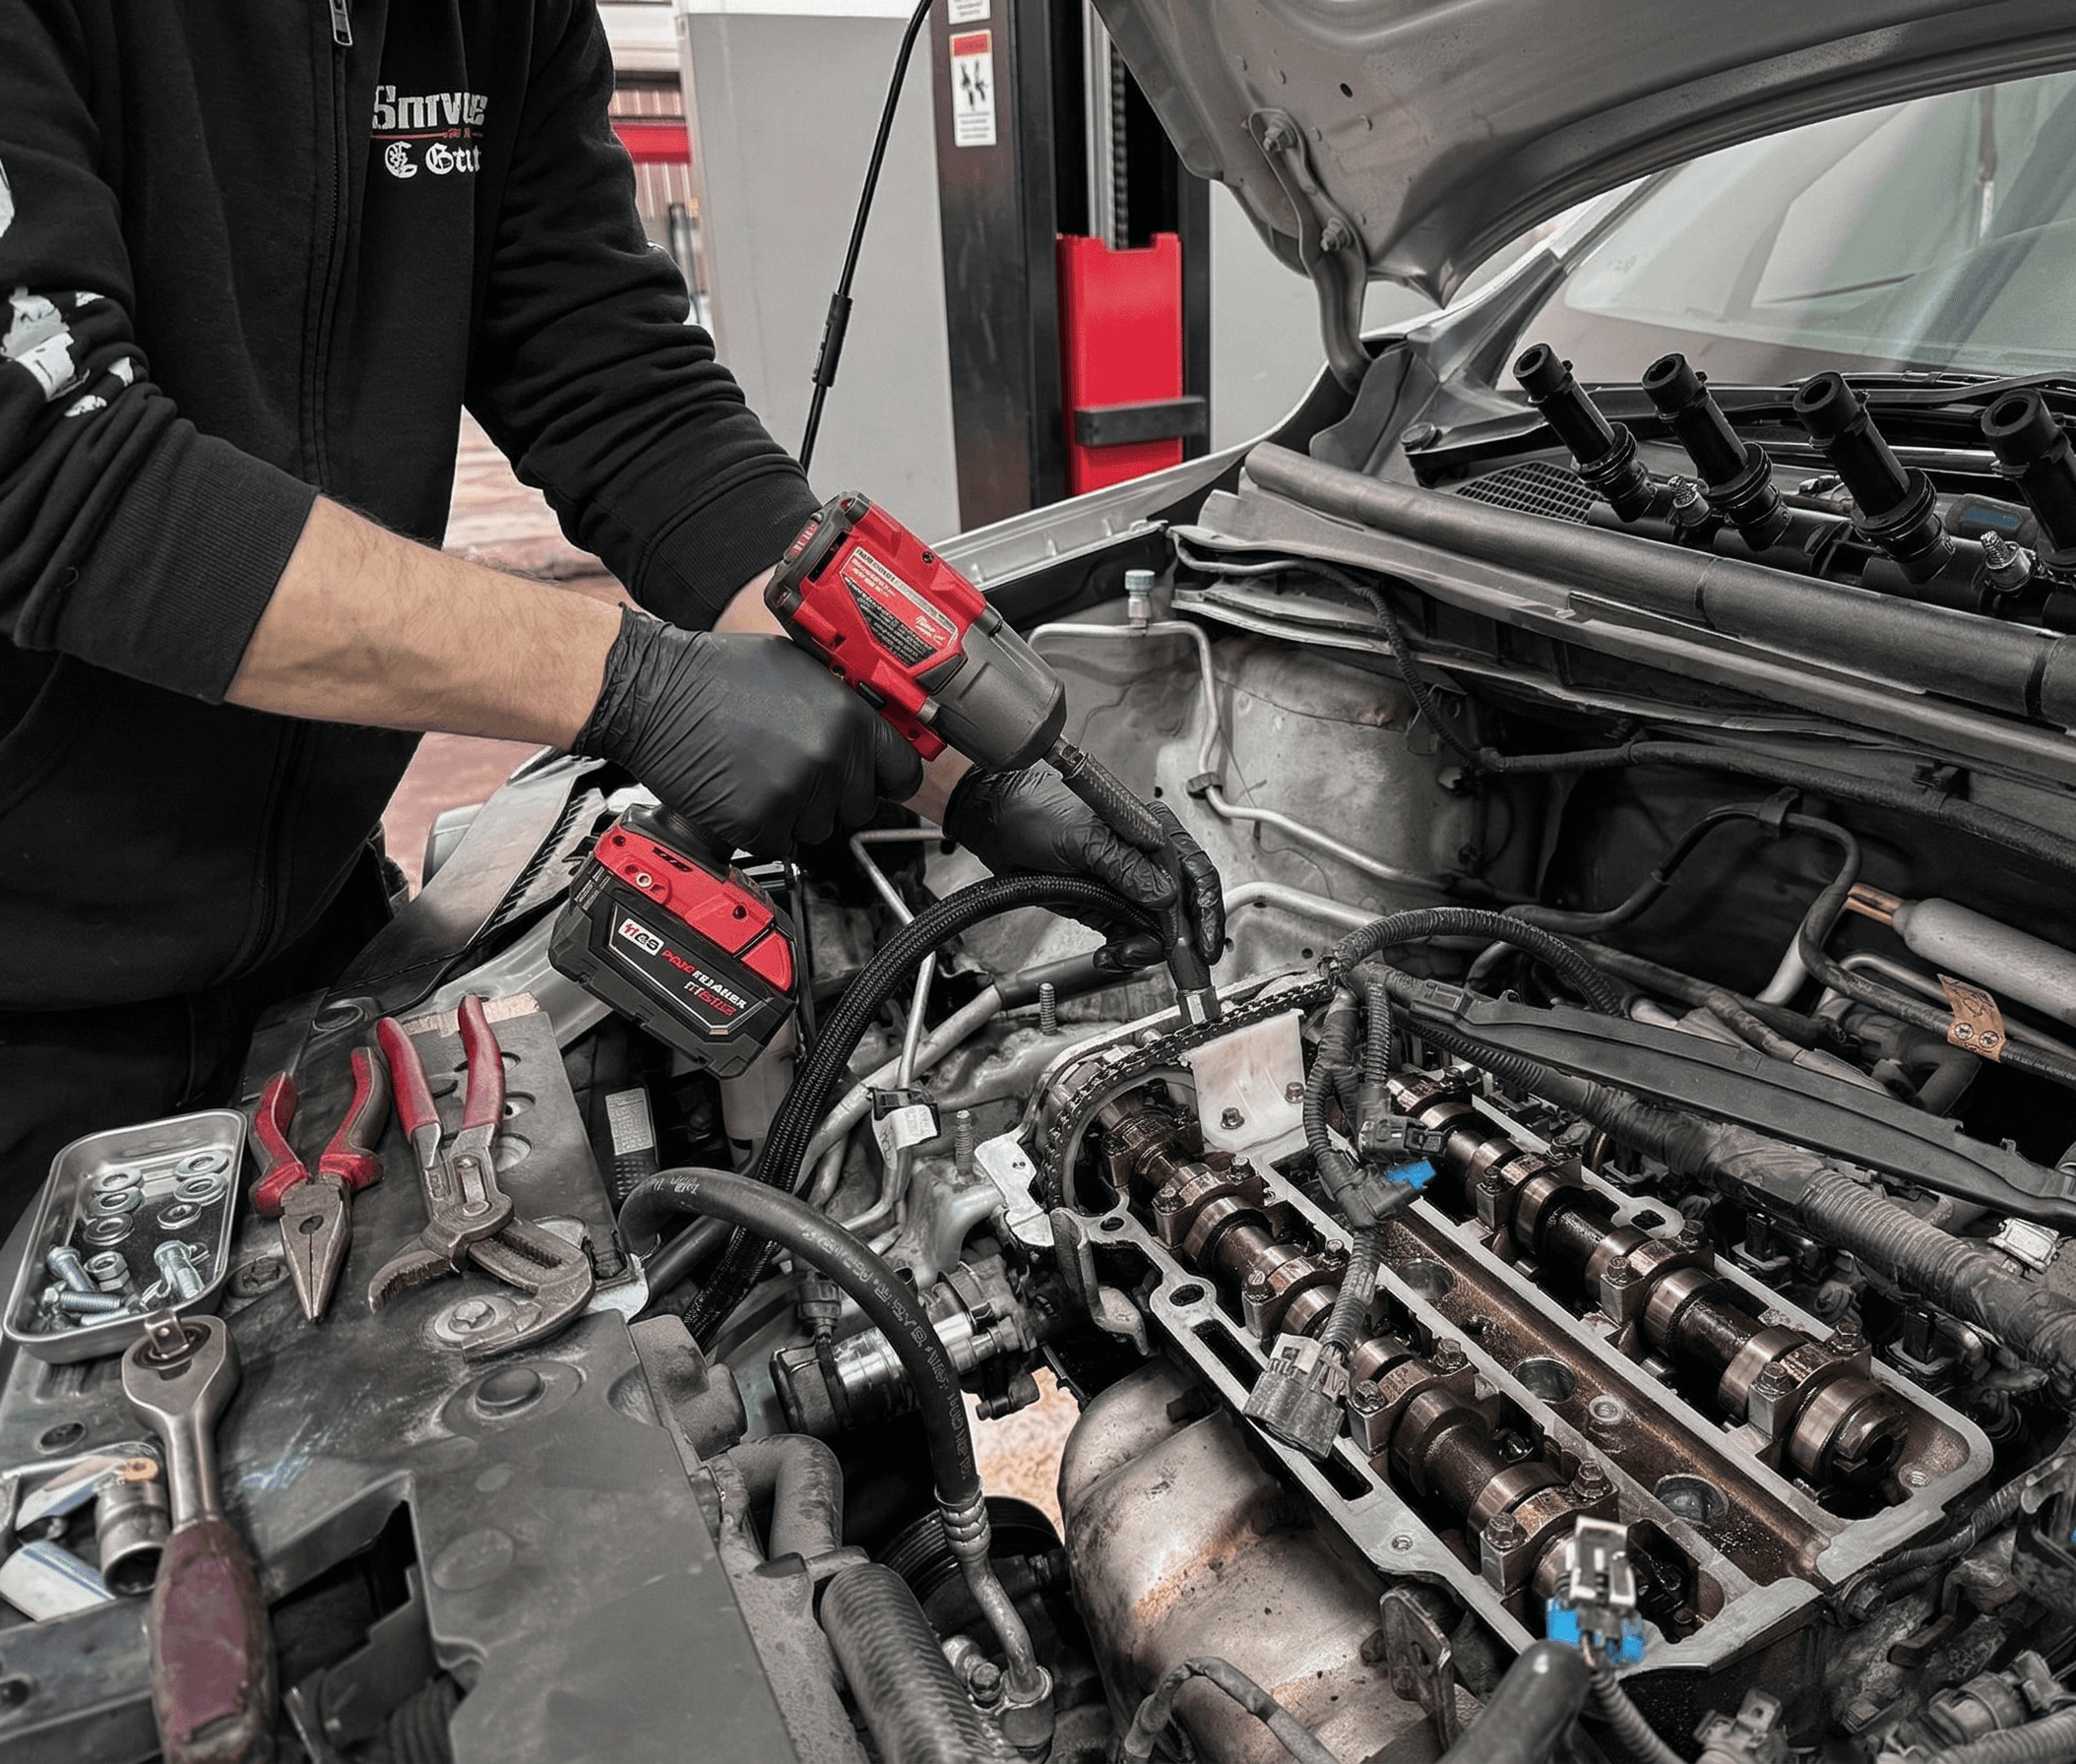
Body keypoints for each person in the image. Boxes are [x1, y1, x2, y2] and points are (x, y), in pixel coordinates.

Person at [0, 0, 1221, 1224]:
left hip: (311, 939)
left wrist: (970, 771)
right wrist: (634, 681)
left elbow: (618, 386)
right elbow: (47, 471)